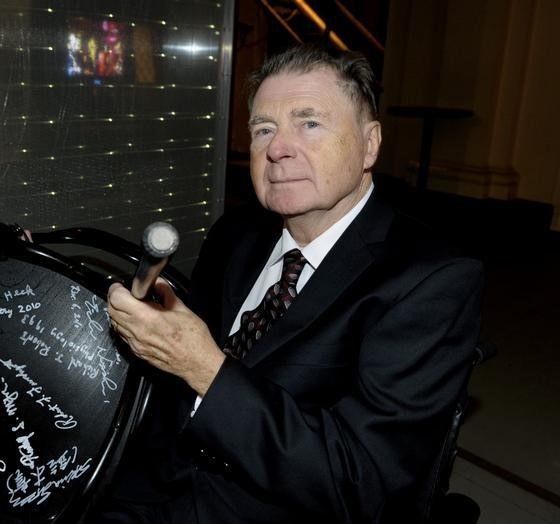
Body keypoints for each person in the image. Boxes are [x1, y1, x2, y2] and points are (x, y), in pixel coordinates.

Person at [97, 44, 483, 523]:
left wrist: (204, 367)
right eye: (263, 129)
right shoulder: (236, 233)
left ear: (370, 144)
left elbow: (362, 485)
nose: (277, 148)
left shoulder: (430, 279)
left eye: (310, 123)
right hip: (148, 486)